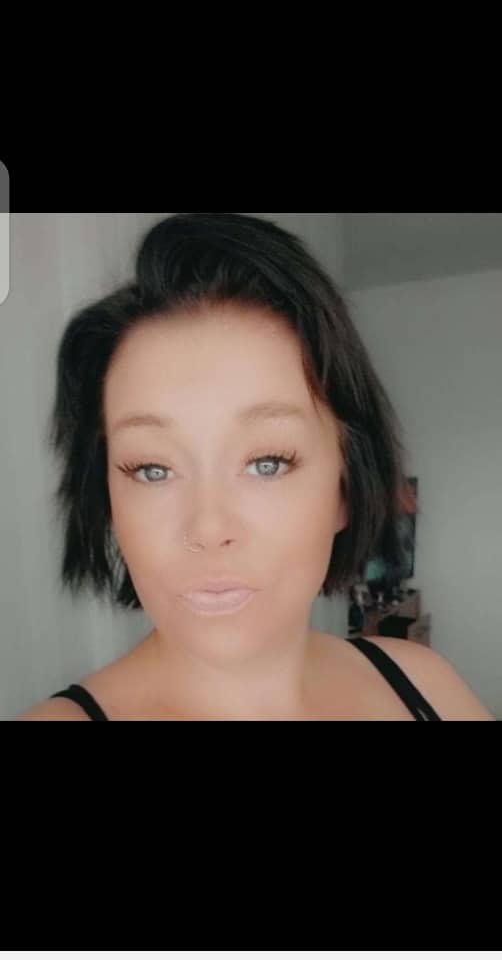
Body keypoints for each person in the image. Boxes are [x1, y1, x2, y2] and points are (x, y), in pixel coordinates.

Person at [17, 213, 494, 721]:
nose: (208, 529)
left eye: (267, 463)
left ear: (345, 486)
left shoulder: (421, 682)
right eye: (152, 469)